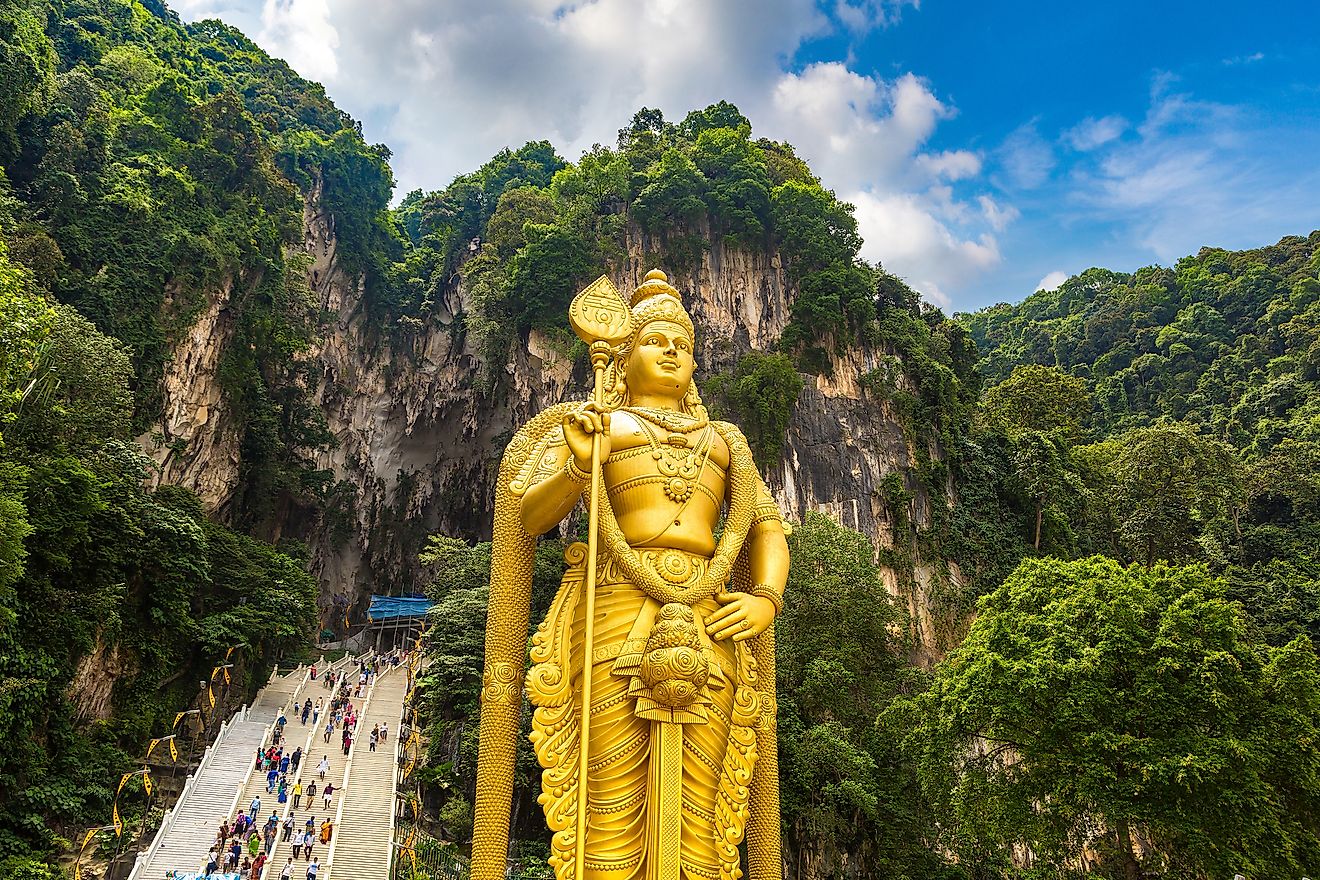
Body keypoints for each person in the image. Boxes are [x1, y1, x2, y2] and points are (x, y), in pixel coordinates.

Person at [470, 271, 790, 880]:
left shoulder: (724, 441)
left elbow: (765, 528)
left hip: (710, 623)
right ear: (625, 355)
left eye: (684, 344)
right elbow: (528, 515)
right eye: (657, 340)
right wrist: (577, 470)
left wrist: (766, 599)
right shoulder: (601, 427)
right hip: (614, 611)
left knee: (705, 815)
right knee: (606, 808)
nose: (673, 351)